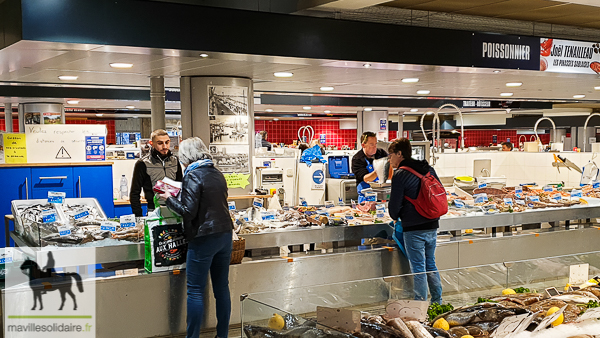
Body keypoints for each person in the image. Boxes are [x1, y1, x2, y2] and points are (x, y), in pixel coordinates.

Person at [158, 137, 233, 338]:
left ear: (186, 157)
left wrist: (169, 199)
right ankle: (223, 335)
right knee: (221, 288)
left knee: (195, 291)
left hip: (203, 238)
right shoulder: (217, 173)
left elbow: (188, 211)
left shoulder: (192, 176)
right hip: (225, 235)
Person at [388, 138, 443, 305]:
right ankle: (437, 302)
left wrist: (395, 216)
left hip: (413, 228)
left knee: (418, 267)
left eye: (391, 156)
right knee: (430, 263)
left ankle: (420, 306)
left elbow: (394, 207)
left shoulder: (400, 175)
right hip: (432, 224)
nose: (390, 160)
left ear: (400, 154)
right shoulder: (428, 169)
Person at [130, 129, 183, 217]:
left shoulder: (175, 160)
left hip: (175, 208)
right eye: (160, 143)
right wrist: (138, 216)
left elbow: (181, 185)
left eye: (167, 142)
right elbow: (135, 193)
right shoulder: (143, 163)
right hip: (154, 210)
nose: (165, 146)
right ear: (152, 143)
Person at [351, 131, 388, 202]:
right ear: (363, 145)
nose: (375, 147)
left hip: (382, 195)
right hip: (366, 197)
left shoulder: (381, 153)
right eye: (371, 145)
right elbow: (366, 178)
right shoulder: (357, 159)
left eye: (375, 144)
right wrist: (379, 170)